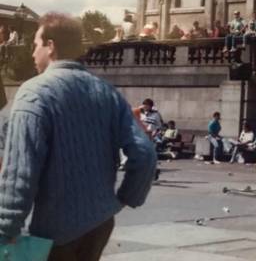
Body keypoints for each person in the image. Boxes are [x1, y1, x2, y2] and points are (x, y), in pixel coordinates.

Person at [0, 13, 156, 261]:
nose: (32, 53)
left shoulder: (33, 93)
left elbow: (20, 174)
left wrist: (4, 230)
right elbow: (145, 153)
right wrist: (126, 198)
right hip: (100, 222)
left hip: (55, 234)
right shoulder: (104, 90)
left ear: (50, 47)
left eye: (36, 45)